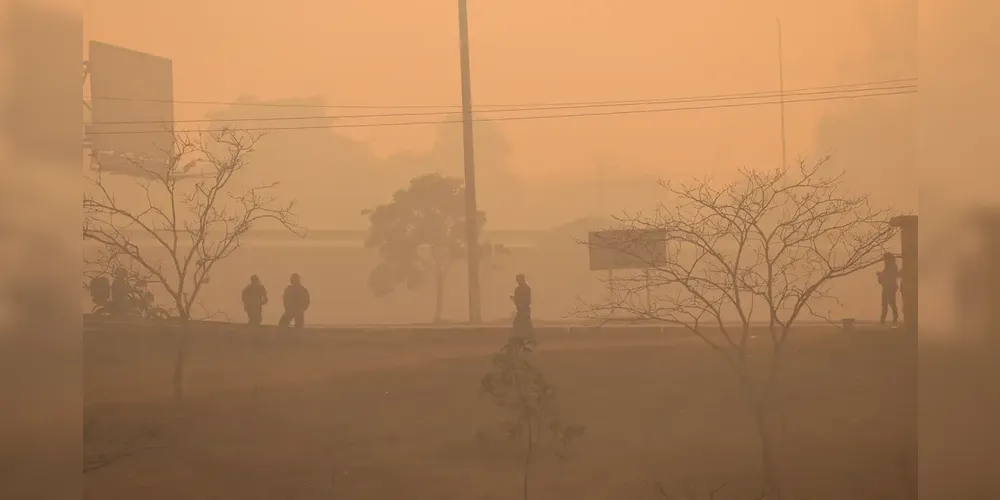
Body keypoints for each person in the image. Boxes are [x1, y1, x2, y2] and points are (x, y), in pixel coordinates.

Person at [876, 252, 900, 326]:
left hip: (890, 288)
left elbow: (891, 276)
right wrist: (881, 276)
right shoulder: (889, 266)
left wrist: (881, 275)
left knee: (890, 303)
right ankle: (883, 320)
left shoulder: (892, 266)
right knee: (886, 304)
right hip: (887, 287)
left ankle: (890, 319)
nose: (885, 260)